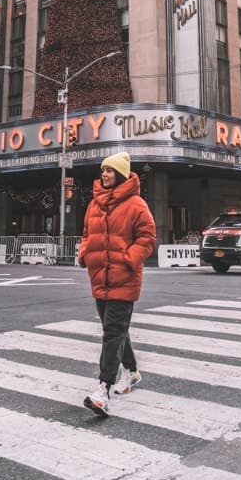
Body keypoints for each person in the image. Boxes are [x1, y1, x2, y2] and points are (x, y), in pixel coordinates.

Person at [78, 151, 156, 417]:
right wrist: (84, 254)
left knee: (112, 332)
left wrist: (128, 259)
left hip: (124, 277)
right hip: (99, 276)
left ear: (121, 174)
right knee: (115, 329)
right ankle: (132, 372)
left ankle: (103, 390)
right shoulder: (94, 204)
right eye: (103, 170)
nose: (104, 174)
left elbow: (147, 237)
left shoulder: (136, 204)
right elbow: (87, 233)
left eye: (109, 170)